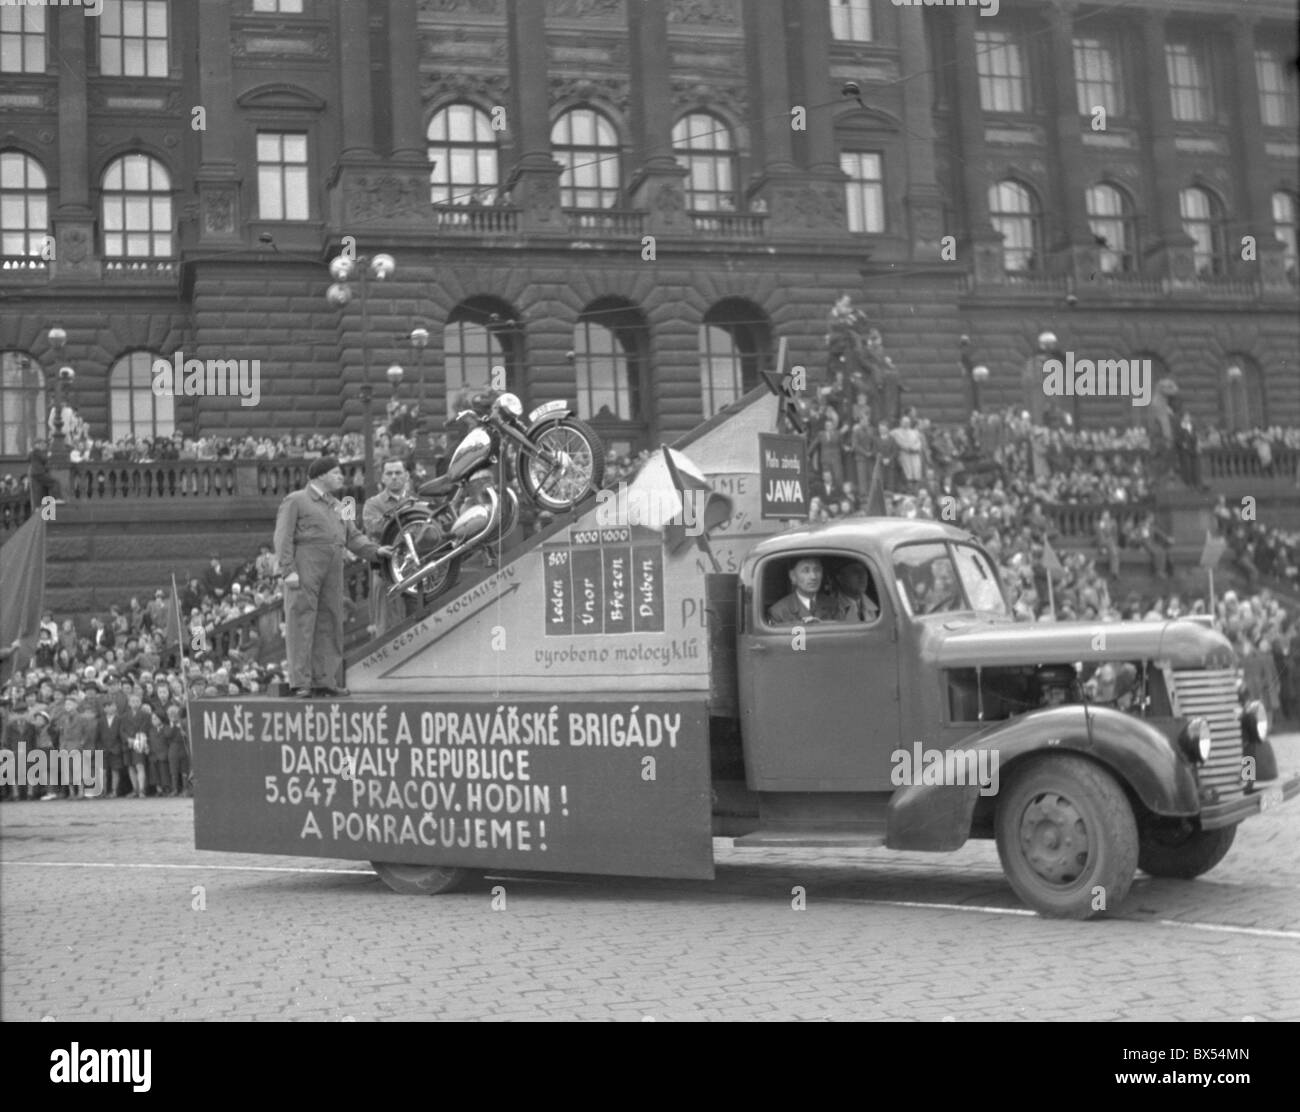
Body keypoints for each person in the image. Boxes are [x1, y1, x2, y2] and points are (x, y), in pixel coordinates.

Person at [273, 457, 393, 697]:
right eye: (336, 472)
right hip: (306, 563)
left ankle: (325, 679)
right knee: (302, 621)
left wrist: (375, 551)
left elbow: (354, 536)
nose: (341, 477)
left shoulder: (341, 504)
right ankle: (302, 681)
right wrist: (288, 570)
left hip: (333, 566)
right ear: (320, 475)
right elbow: (282, 536)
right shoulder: (296, 500)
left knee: (331, 618)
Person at [362, 458, 415, 635]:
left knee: (414, 624)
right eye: (389, 473)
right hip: (385, 572)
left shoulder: (414, 502)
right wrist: (403, 517)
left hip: (413, 571)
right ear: (382, 478)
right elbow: (375, 528)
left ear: (406, 476)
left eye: (398, 473)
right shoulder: (373, 504)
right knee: (385, 629)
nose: (394, 477)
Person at [766, 557, 838, 625]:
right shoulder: (778, 612)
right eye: (806, 571)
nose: (813, 576)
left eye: (817, 570)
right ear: (793, 576)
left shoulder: (834, 605)